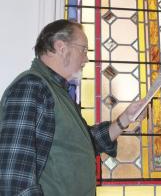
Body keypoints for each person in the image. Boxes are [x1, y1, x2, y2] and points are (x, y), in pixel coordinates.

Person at [0, 19, 146, 196]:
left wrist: (126, 118)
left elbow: (83, 144)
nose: (86, 58)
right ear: (61, 47)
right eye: (83, 49)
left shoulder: (58, 92)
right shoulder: (32, 87)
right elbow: (15, 177)